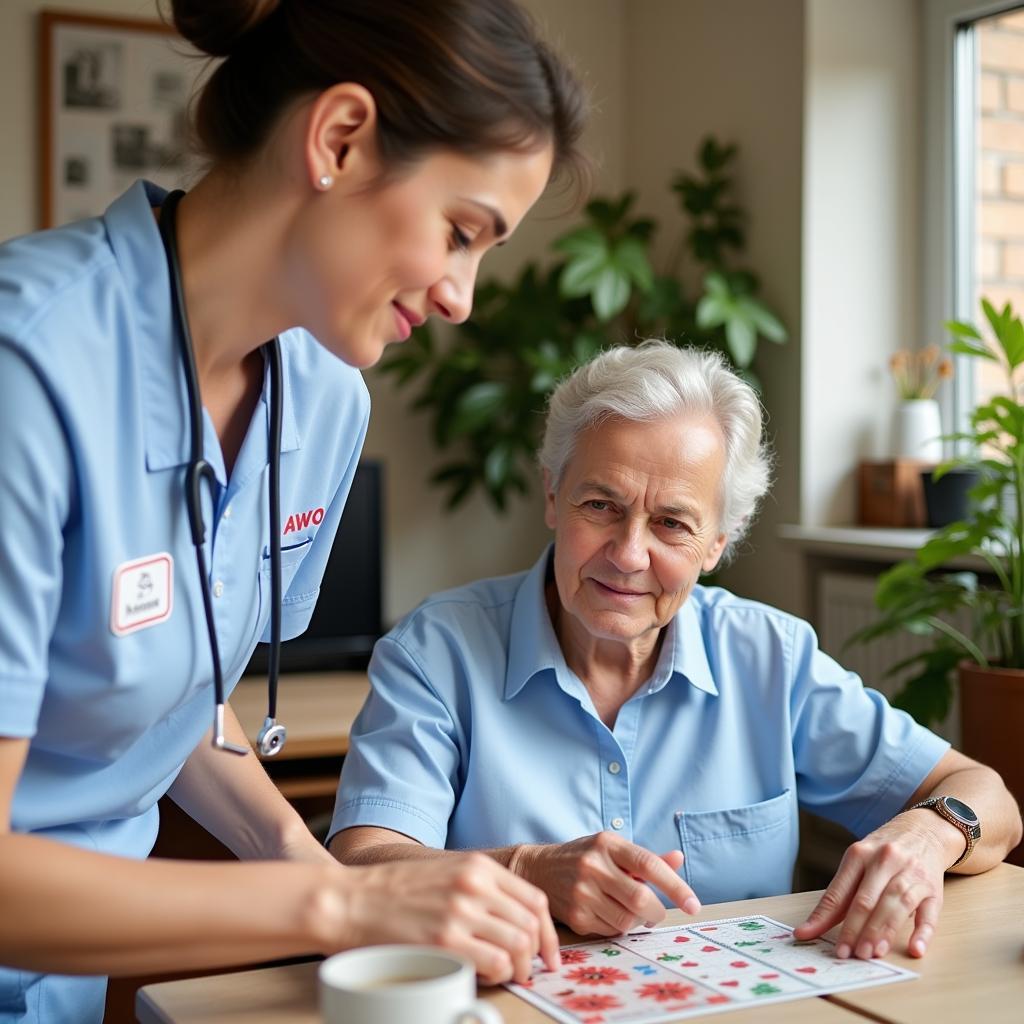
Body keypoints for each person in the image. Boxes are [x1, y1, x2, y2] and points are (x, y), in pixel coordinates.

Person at [0, 1, 588, 1019]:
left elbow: (161, 694)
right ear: (340, 138)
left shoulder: (322, 405)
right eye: (463, 232)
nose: (462, 297)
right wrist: (340, 903)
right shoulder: (28, 366)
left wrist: (318, 861)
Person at [330, 341, 1023, 961]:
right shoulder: (436, 651)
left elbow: (986, 797)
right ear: (551, 493)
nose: (629, 554)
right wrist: (522, 869)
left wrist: (929, 836)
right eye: (600, 505)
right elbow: (360, 866)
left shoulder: (770, 657)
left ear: (719, 542)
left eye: (671, 523)